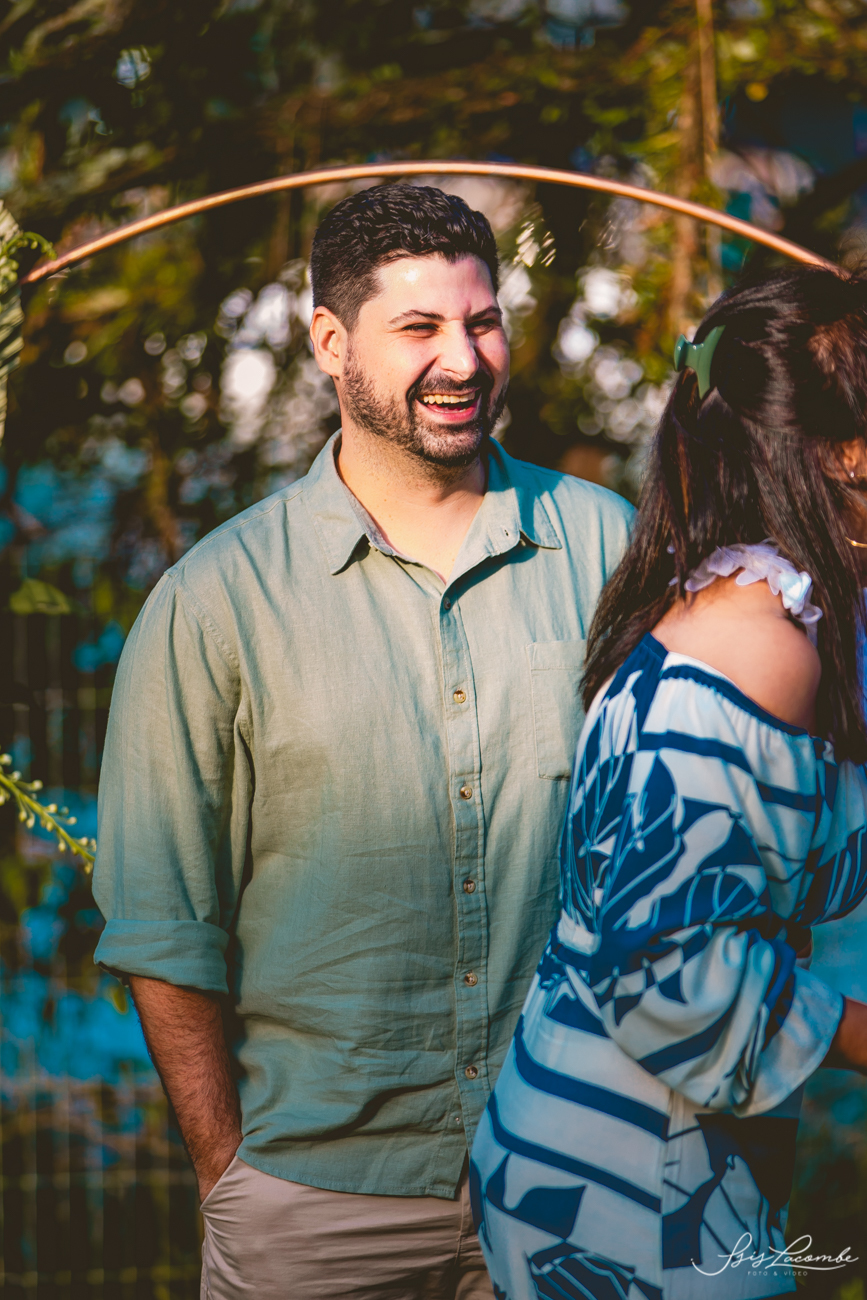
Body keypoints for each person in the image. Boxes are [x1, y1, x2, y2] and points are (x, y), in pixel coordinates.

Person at [90, 183, 633, 1299]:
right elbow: (163, 923)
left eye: (482, 322)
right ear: (331, 343)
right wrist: (229, 1177)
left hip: (578, 1176)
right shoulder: (216, 602)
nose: (463, 360)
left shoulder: (605, 545)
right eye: (419, 327)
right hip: (315, 1204)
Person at [470, 265, 867, 1299]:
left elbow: (793, 860)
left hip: (603, 1146)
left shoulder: (741, 595)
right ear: (845, 455)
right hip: (629, 1184)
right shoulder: (758, 648)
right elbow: (662, 966)